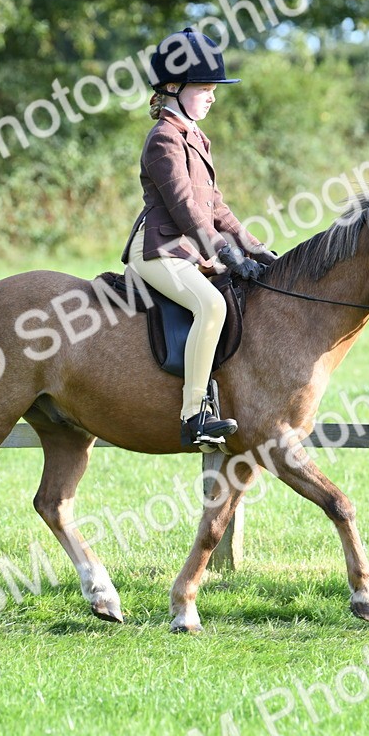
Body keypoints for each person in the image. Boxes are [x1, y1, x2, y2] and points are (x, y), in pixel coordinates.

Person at [120, 28, 276, 447]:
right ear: (173, 87)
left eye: (213, 89)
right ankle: (194, 415)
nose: (212, 96)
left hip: (185, 249)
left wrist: (255, 248)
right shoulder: (163, 140)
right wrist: (225, 251)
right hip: (156, 249)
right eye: (205, 88)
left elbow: (216, 206)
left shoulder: (195, 137)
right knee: (211, 304)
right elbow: (187, 211)